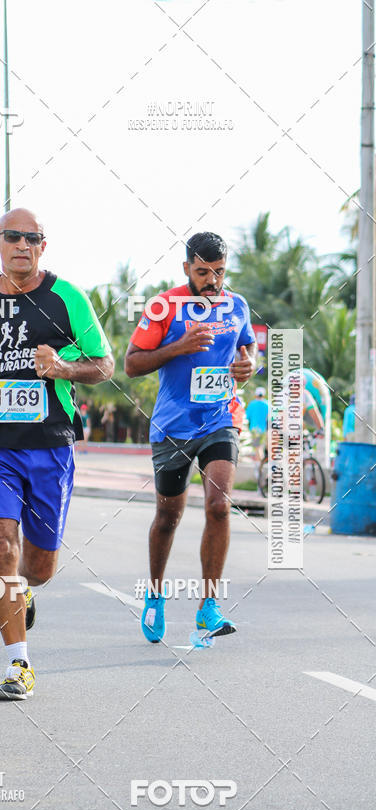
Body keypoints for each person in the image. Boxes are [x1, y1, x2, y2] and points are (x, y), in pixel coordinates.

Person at [0, 208, 114, 701]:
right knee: (0, 544)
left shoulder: (68, 300)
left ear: (44, 245)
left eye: (32, 238)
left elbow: (103, 365)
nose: (23, 244)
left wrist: (61, 368)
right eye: (13, 237)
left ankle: (26, 591)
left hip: (48, 447)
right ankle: (19, 663)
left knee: (38, 567)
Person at [124, 232, 256, 643]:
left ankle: (209, 606)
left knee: (219, 506)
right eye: (203, 272)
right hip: (173, 426)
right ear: (186, 268)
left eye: (219, 272)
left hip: (220, 418)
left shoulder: (237, 305)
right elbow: (131, 364)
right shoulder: (165, 306)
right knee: (168, 517)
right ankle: (156, 594)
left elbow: (248, 351)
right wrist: (178, 347)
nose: (212, 280)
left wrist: (248, 365)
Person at [245, 386, 269, 466]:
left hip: (254, 429)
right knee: (260, 447)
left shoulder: (252, 404)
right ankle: (261, 465)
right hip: (264, 429)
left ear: (256, 395)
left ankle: (260, 466)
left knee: (257, 448)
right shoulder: (267, 404)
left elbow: (247, 416)